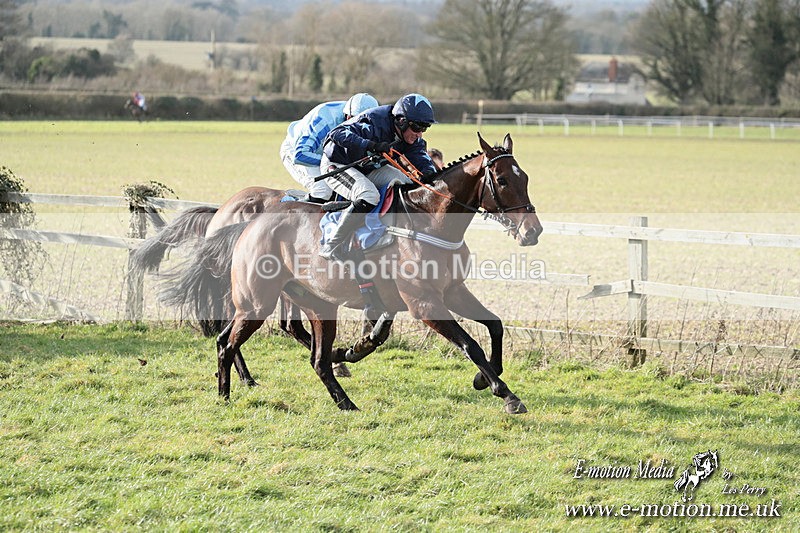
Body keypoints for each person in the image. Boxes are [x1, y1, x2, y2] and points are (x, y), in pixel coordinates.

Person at [319, 93, 438, 261]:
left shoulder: (413, 139)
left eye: (425, 128)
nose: (420, 134)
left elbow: (421, 158)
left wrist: (431, 174)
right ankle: (331, 244)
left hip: (368, 169)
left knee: (408, 185)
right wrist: (370, 145)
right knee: (369, 195)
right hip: (338, 165)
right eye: (417, 127)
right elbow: (335, 133)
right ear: (401, 121)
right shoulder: (374, 120)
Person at [280, 93, 379, 203]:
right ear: (348, 116)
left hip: (326, 154)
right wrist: (334, 162)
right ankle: (291, 202)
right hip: (295, 151)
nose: (358, 127)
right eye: (355, 121)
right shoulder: (324, 119)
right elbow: (300, 155)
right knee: (323, 191)